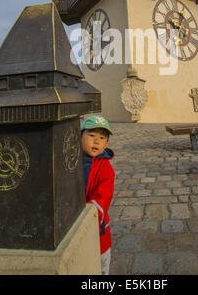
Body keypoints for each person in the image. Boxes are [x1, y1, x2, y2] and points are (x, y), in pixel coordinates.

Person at [80, 114, 115, 275]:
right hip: (72, 225)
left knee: (101, 267)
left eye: (102, 137)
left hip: (97, 229)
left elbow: (104, 196)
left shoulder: (106, 169)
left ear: (106, 143)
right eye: (92, 135)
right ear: (80, 136)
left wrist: (90, 211)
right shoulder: (72, 160)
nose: (96, 141)